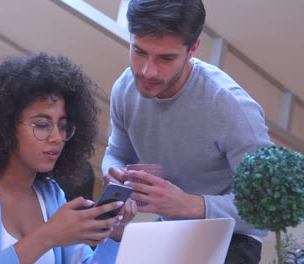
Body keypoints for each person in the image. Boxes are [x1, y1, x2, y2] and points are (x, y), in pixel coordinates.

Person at [102, 1, 273, 263]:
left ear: (193, 48)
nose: (147, 71)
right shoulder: (124, 89)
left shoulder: (231, 107)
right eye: (139, 51)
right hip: (169, 228)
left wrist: (188, 204)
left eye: (166, 58)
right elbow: (116, 152)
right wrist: (113, 175)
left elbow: (268, 205)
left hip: (232, 238)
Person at [0, 53, 137, 264]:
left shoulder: (50, 194)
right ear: (5, 126)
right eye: (42, 125)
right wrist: (47, 236)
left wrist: (115, 234)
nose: (57, 138)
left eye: (63, 126)